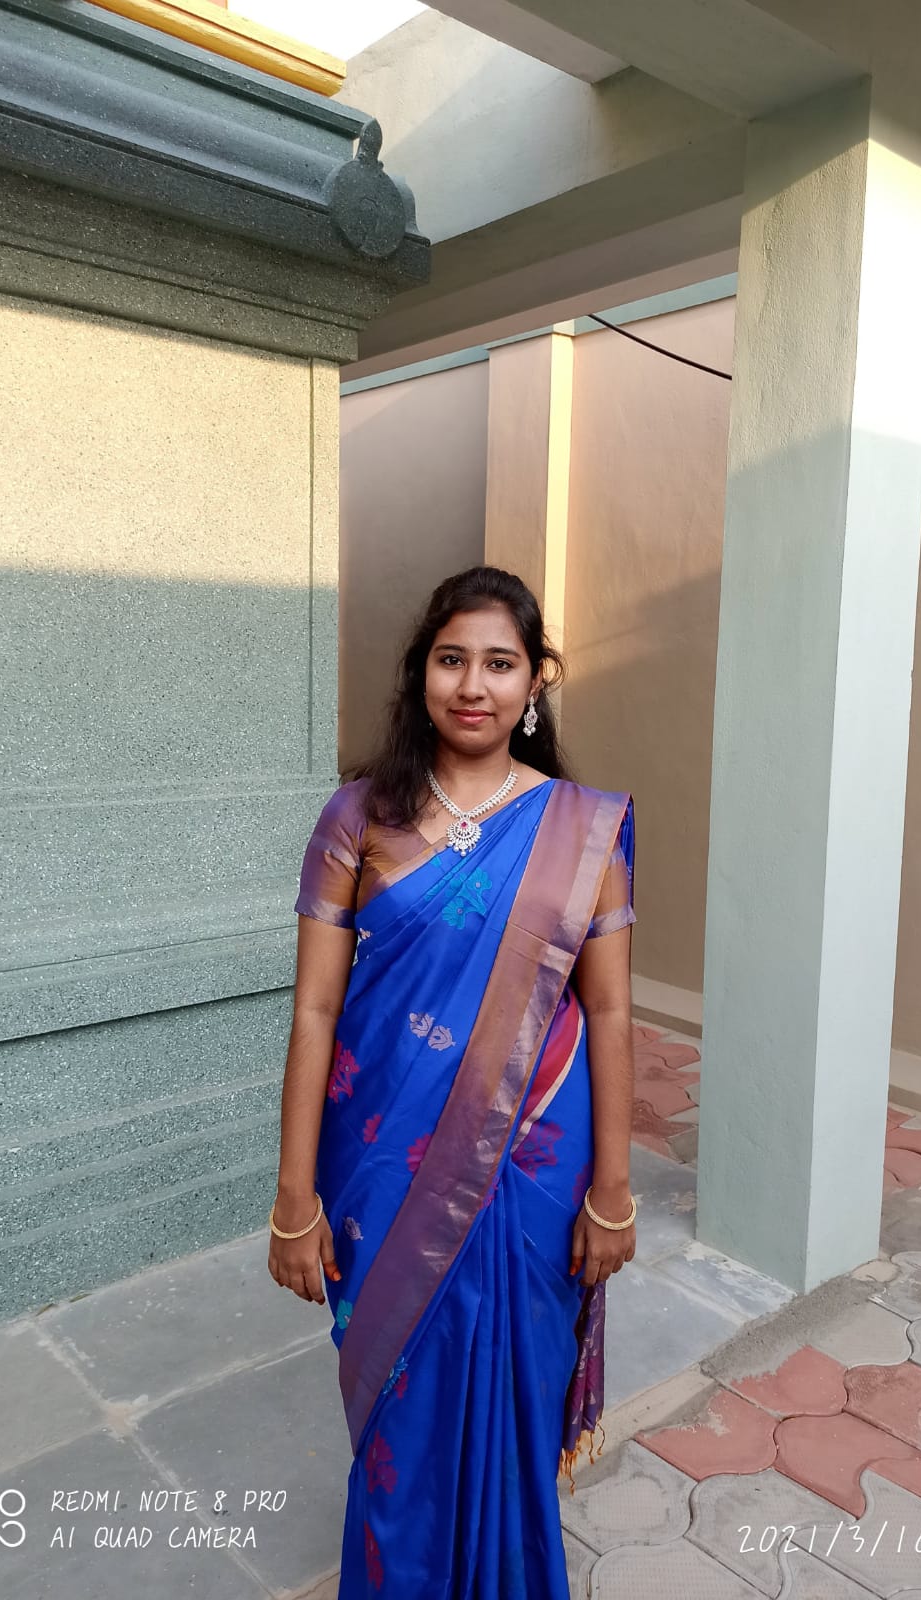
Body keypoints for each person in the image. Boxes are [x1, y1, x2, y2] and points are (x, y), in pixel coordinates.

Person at [268, 565, 638, 1598]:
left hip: (535, 1168)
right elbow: (314, 1011)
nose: (472, 685)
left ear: (534, 682)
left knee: (515, 1395)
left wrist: (612, 1191)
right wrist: (293, 1198)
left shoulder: (582, 828)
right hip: (382, 1159)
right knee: (399, 1408)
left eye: (499, 663)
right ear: (419, 672)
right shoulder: (359, 817)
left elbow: (609, 1012)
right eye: (450, 659)